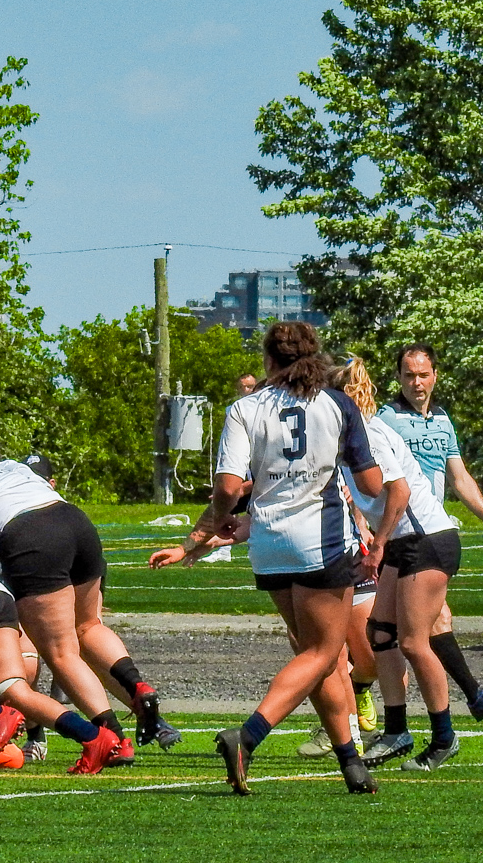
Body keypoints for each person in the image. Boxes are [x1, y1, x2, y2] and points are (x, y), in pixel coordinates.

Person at [150, 321, 383, 796]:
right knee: (323, 654)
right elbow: (374, 483)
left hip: (269, 543)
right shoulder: (336, 404)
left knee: (314, 656)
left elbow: (230, 488)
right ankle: (248, 736)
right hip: (322, 539)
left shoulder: (244, 408)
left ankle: (351, 764)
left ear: (268, 360)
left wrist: (202, 532)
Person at [0, 431, 173, 763]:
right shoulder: (11, 469)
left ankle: (113, 739)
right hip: (74, 520)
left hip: (30, 533)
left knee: (61, 654)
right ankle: (136, 687)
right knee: (87, 626)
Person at [376, 344, 483, 720]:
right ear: (398, 378)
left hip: (428, 535)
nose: (417, 382)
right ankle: (364, 708)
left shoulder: (441, 421)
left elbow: (459, 477)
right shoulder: (386, 418)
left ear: (435, 375)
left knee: (424, 625)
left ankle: (468, 700)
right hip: (403, 535)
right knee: (391, 634)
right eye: (409, 375)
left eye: (423, 375)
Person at [336, 358, 467, 771]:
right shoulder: (352, 431)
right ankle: (396, 731)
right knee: (380, 632)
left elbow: (400, 492)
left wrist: (378, 546)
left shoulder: (369, 434)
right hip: (408, 540)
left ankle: (444, 738)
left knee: (413, 642)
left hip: (426, 539)